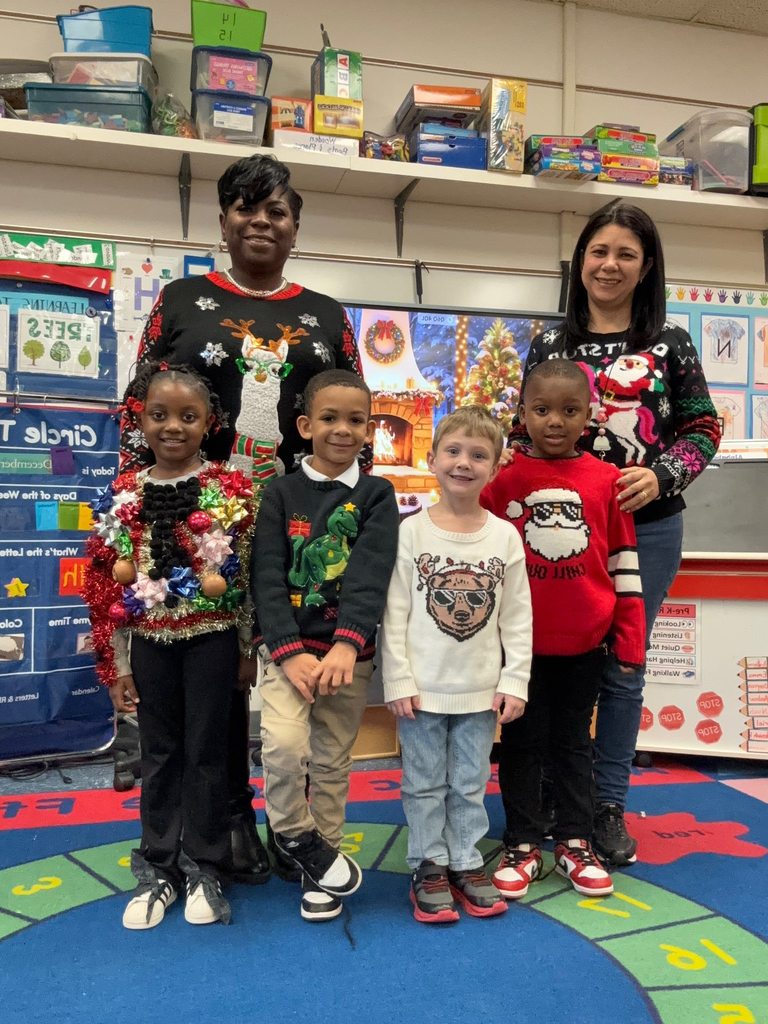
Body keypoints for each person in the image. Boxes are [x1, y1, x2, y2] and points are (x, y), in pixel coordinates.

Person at [120, 153, 371, 885]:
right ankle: (221, 819)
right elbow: (139, 408)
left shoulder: (326, 315)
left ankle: (294, 826)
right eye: (244, 208)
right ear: (223, 220)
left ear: (296, 226)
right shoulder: (180, 299)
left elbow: (350, 415)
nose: (261, 221)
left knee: (281, 668)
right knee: (213, 673)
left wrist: (357, 515)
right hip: (194, 523)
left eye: (278, 211)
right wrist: (136, 510)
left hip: (300, 523)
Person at [509, 200, 721, 866]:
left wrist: (661, 476)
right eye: (599, 251)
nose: (610, 264)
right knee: (549, 663)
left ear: (646, 265)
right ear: (581, 261)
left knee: (623, 668)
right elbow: (520, 432)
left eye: (626, 253)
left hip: (647, 532)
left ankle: (604, 807)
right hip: (554, 534)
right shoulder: (550, 343)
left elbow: (703, 428)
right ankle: (545, 795)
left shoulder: (670, 343)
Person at [82, 363, 256, 929]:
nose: (173, 427)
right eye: (160, 415)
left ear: (209, 422)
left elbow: (250, 577)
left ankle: (206, 865)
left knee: (208, 752)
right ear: (142, 420)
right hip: (150, 645)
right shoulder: (123, 493)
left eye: (187, 416)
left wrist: (247, 648)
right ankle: (159, 867)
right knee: (157, 753)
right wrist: (117, 664)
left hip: (213, 641)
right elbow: (106, 584)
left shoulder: (232, 489)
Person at [483, 360, 645, 898]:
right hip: (517, 649)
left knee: (575, 744)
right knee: (523, 744)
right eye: (542, 409)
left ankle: (576, 841)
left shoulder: (607, 483)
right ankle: (523, 842)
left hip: (584, 644)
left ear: (590, 415)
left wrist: (630, 639)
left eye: (569, 410)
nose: (555, 421)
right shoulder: (501, 481)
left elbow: (623, 564)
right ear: (523, 413)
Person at [251, 369, 399, 921]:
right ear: (305, 425)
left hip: (346, 658)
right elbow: (266, 575)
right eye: (331, 418)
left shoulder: (375, 494)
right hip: (287, 653)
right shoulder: (280, 491)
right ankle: (294, 835)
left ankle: (324, 859)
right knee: (286, 747)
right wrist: (288, 652)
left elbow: (370, 572)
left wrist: (344, 646)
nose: (344, 430)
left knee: (332, 761)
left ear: (368, 429)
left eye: (356, 420)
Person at [381, 406, 532, 923]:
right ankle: (429, 863)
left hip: (480, 689)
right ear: (432, 457)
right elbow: (395, 611)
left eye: (478, 454)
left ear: (496, 465)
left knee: (469, 781)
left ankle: (466, 859)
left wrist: (515, 680)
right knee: (423, 780)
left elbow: (517, 618)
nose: (463, 463)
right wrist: (397, 677)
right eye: (453, 450)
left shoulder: (504, 537)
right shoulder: (410, 533)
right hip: (422, 689)